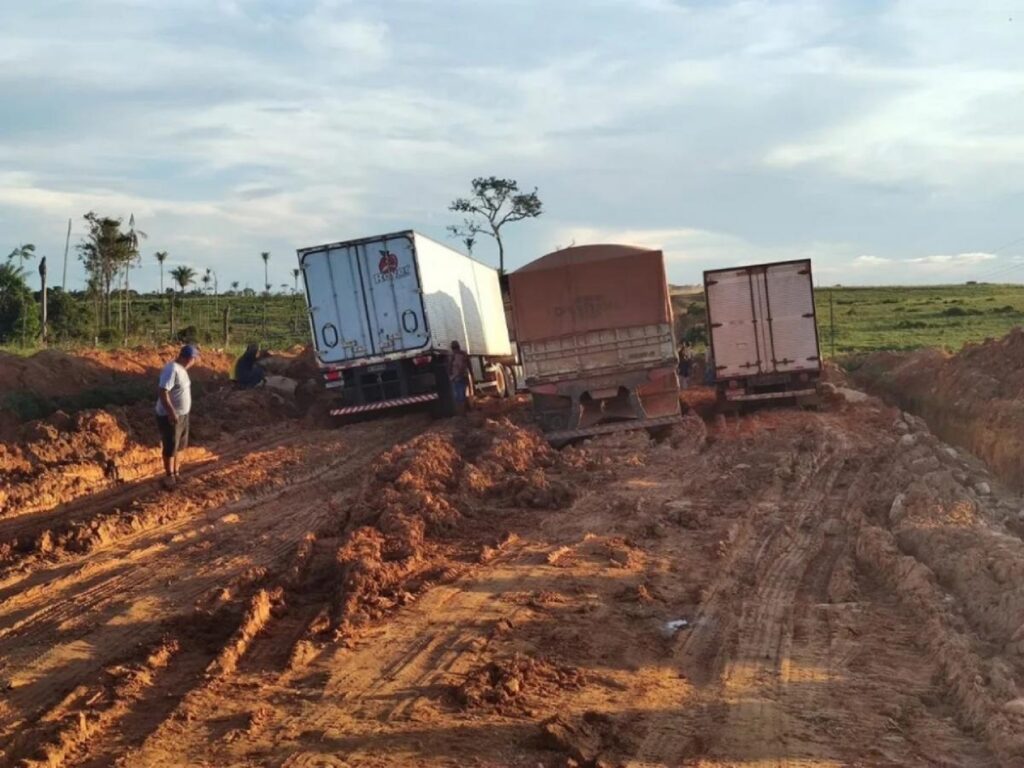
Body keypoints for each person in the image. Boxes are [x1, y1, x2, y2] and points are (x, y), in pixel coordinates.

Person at [156, 344, 199, 488]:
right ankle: (169, 476)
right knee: (170, 445)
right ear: (189, 358)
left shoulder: (182, 370)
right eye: (194, 359)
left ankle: (176, 473)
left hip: (182, 415)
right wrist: (171, 412)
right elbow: (163, 391)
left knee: (179, 445)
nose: (195, 362)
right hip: (171, 415)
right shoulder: (172, 369)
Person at [446, 340, 471, 414]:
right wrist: (471, 374)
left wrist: (450, 376)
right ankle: (465, 410)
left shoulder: (452, 356)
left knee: (458, 395)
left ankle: (462, 412)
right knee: (462, 393)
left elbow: (449, 367)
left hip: (456, 378)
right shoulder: (464, 354)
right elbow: (469, 365)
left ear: (452, 347)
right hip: (464, 376)